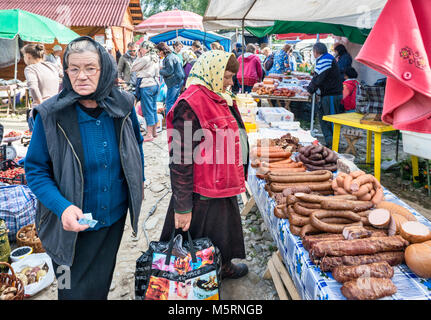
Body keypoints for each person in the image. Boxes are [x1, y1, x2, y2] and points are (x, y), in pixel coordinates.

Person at [24, 36, 145, 300]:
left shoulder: (123, 105)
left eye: (90, 68)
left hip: (112, 219)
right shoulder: (50, 114)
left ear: (105, 70)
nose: (81, 76)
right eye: (74, 68)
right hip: (68, 227)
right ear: (65, 71)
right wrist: (62, 207)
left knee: (99, 284)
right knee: (70, 289)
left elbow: (135, 145)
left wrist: (139, 181)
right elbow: (35, 171)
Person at [160, 50, 249, 279]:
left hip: (221, 183)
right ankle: (193, 282)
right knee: (195, 241)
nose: (230, 83)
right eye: (227, 76)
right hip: (201, 191)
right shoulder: (190, 104)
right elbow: (180, 158)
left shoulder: (217, 95)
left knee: (224, 231)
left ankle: (222, 265)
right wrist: (183, 205)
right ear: (212, 71)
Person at [306, 42, 343, 148]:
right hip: (327, 95)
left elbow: (318, 77)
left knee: (330, 120)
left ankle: (334, 145)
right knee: (323, 119)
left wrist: (309, 90)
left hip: (331, 95)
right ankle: (330, 143)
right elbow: (318, 76)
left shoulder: (326, 59)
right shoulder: (325, 58)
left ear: (315, 51)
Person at [22, 43, 60, 132]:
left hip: (40, 112)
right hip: (55, 109)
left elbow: (33, 87)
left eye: (23, 55)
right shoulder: (52, 66)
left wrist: (40, 104)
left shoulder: (30, 68)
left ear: (28, 56)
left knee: (38, 143)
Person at [131, 40, 160, 142]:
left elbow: (133, 67)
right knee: (153, 108)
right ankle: (154, 132)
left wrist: (138, 56)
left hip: (146, 85)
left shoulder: (145, 58)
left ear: (146, 48)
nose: (140, 50)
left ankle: (149, 134)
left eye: (141, 48)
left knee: (147, 110)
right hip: (155, 84)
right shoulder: (155, 57)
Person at [156, 42, 185, 114]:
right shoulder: (173, 56)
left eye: (158, 52)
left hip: (174, 82)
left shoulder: (168, 58)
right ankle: (174, 120)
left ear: (162, 51)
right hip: (178, 81)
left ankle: (169, 122)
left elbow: (169, 71)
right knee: (174, 102)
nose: (158, 54)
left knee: (169, 102)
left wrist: (159, 70)